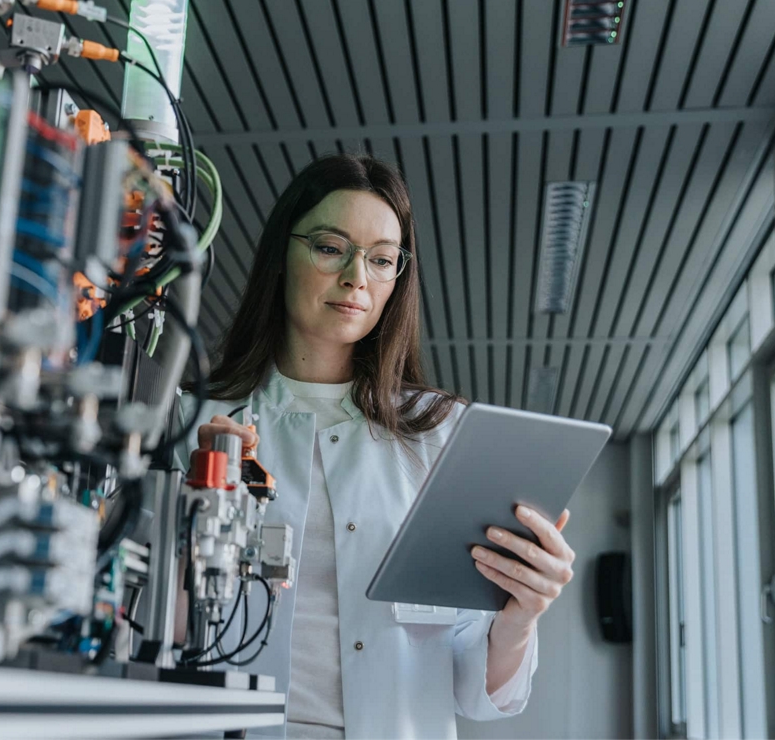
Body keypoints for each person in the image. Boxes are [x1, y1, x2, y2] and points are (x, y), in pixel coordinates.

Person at [177, 154, 576, 739]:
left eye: (382, 259)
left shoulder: (442, 435)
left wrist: (522, 614)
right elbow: (145, 637)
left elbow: (479, 693)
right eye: (330, 247)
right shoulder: (193, 425)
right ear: (280, 257)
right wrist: (190, 509)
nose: (356, 278)